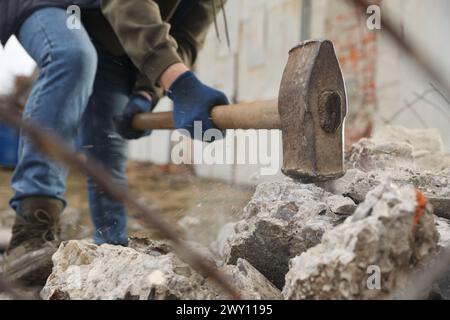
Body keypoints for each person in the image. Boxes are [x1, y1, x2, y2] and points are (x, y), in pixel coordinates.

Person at [0, 0, 228, 285]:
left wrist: (146, 93)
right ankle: (31, 232)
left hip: (112, 34)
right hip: (58, 6)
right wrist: (180, 83)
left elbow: (185, 37)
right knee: (70, 55)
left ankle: (112, 257)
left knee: (108, 144)